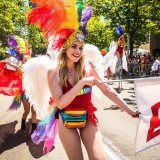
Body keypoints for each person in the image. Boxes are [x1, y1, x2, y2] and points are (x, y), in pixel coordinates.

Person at [24, 1, 140, 159]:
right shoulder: (54, 72)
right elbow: (60, 103)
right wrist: (82, 83)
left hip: (87, 117)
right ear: (65, 48)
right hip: (66, 120)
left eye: (80, 47)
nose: (78, 51)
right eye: (74, 46)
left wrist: (130, 111)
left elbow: (107, 89)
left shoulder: (87, 66)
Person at [3, 55, 37, 134]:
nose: (26, 61)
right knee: (27, 111)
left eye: (28, 60)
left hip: (35, 95)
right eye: (25, 60)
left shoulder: (35, 70)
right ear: (23, 61)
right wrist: (7, 62)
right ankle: (23, 120)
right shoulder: (21, 70)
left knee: (34, 112)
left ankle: (34, 130)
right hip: (26, 95)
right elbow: (15, 66)